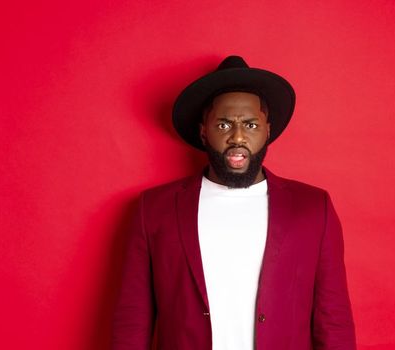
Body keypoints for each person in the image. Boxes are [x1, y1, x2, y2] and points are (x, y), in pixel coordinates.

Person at [112, 56, 355, 350]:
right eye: (224, 125)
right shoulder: (153, 209)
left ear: (268, 130)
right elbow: (133, 319)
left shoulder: (314, 208)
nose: (237, 137)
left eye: (251, 124)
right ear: (204, 131)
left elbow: (333, 320)